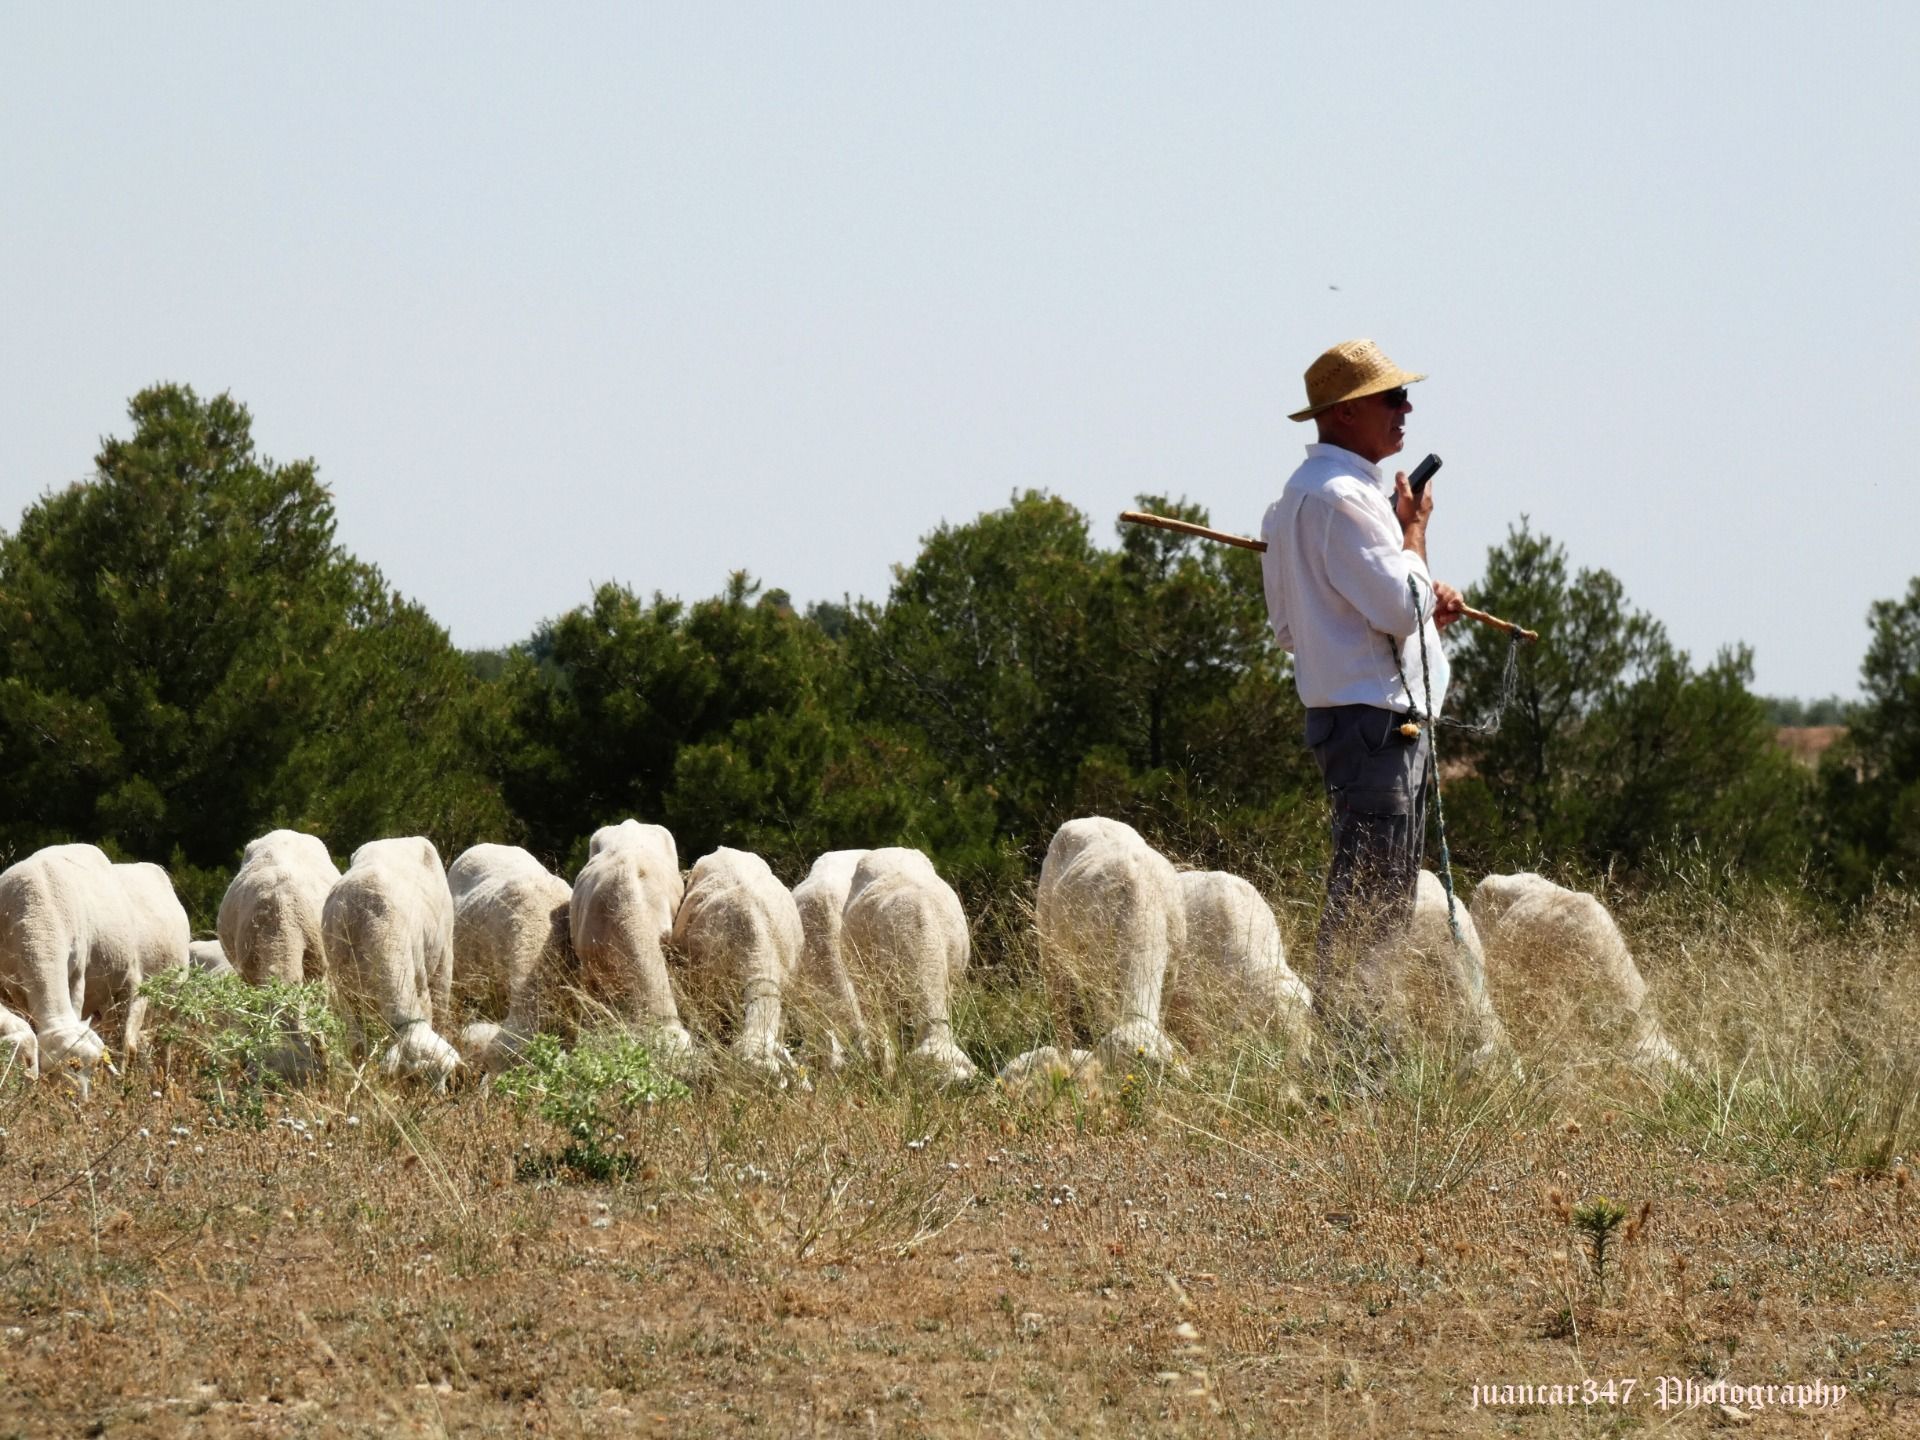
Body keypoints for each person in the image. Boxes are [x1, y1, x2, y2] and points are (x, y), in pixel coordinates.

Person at [1260, 338, 1465, 1037]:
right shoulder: (1347, 499)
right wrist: (1414, 534)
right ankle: (1356, 1058)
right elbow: (1399, 607)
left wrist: (1414, 587)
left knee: (1374, 895)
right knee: (1374, 905)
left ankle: (1355, 1051)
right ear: (1347, 412)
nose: (1406, 409)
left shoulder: (1291, 502)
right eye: (1391, 397)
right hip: (1378, 726)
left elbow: (1291, 629)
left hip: (1352, 722)